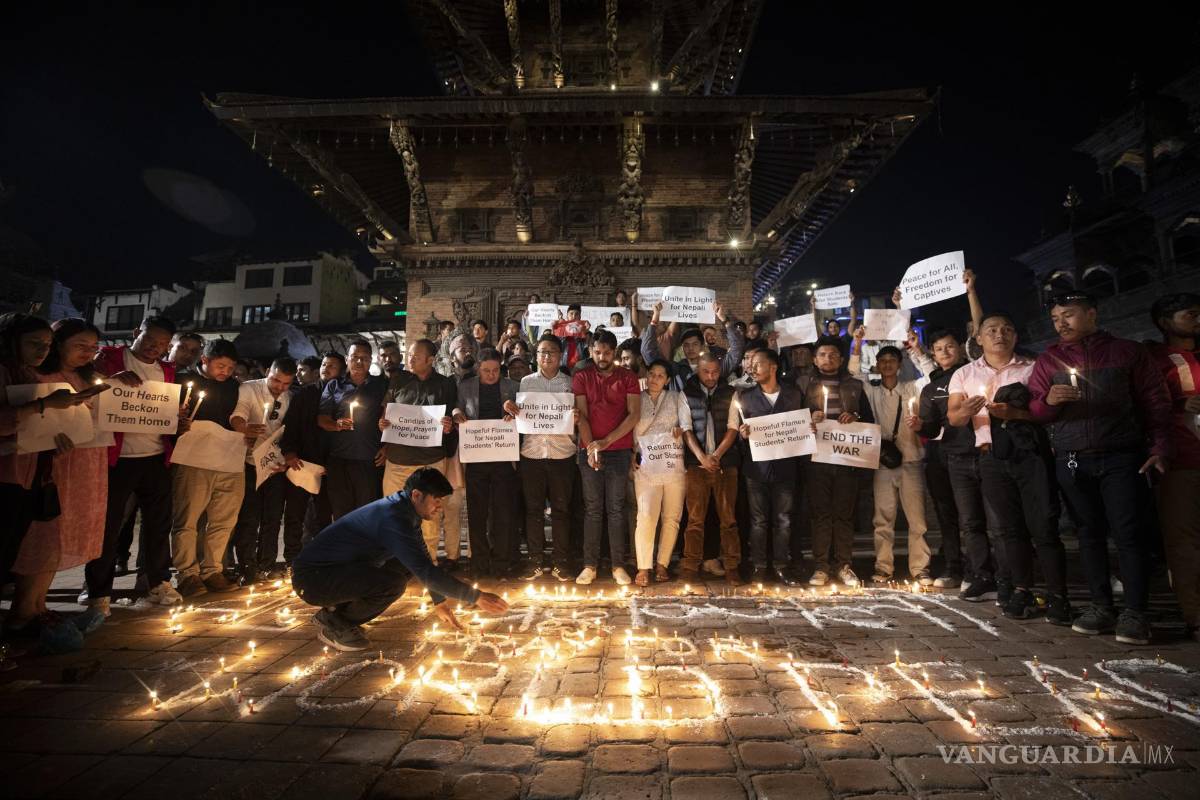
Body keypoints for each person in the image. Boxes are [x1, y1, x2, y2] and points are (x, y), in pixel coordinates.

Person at [1029, 293, 1171, 644]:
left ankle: (1136, 612)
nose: (1062, 323)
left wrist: (1159, 446)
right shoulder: (1049, 360)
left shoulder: (1127, 352)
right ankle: (1100, 606)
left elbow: (1155, 401)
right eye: (1056, 317)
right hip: (1073, 457)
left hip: (1122, 454)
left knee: (1128, 533)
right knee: (1087, 533)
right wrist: (1049, 402)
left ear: (1091, 313)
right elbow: (1035, 409)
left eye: (1069, 315)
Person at [291, 467, 509, 651]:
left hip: (334, 571)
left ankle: (333, 612)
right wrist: (476, 596)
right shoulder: (393, 518)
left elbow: (422, 560)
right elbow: (425, 571)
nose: (439, 506)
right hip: (314, 579)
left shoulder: (404, 512)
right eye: (436, 499)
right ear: (416, 495)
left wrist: (439, 601)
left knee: (404, 568)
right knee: (392, 584)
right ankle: (336, 623)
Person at [948, 311, 1070, 625]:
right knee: (1007, 528)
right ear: (978, 338)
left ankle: (1058, 596)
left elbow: (1047, 413)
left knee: (1043, 526)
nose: (999, 334)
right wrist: (966, 409)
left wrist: (1015, 413)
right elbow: (955, 419)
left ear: (1015, 336)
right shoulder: (964, 374)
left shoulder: (1033, 369)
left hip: (1029, 456)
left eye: (1007, 328)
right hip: (991, 456)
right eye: (991, 330)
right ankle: (1020, 590)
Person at [1, 315, 102, 640]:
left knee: (31, 545)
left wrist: (52, 442)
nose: (42, 350)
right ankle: (21, 615)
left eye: (45, 345)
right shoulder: (16, 375)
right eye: (35, 343)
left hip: (34, 473)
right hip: (12, 474)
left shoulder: (25, 372)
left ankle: (33, 611)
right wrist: (44, 405)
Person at [88, 315, 182, 613]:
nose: (156, 348)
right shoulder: (109, 358)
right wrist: (110, 381)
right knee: (108, 525)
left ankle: (157, 581)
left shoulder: (167, 370)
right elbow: (86, 386)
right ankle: (97, 590)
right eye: (151, 340)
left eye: (164, 344)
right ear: (136, 332)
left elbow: (166, 412)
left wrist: (179, 422)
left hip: (155, 456)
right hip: (117, 458)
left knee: (158, 525)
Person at [171, 338, 244, 598]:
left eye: (230, 367)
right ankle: (186, 573)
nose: (226, 372)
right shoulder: (181, 383)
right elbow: (167, 419)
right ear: (205, 360)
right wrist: (177, 422)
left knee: (224, 518)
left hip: (228, 458)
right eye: (221, 366)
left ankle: (212, 569)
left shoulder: (235, 387)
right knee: (187, 518)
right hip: (193, 459)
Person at [1146, 293, 1200, 640]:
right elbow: (1147, 403)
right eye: (1190, 314)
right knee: (1184, 539)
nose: (1197, 319)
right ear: (1166, 322)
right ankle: (1195, 613)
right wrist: (1182, 404)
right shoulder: (1152, 359)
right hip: (1182, 456)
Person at [800, 336, 874, 587]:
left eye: (833, 355)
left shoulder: (854, 385)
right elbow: (791, 419)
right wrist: (809, 417)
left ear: (841, 359)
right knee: (821, 514)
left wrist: (854, 416)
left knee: (844, 514)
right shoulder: (803, 385)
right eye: (822, 354)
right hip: (816, 459)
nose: (827, 359)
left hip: (846, 458)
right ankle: (821, 566)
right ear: (814, 358)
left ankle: (844, 565)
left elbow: (869, 421)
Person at [857, 343, 931, 586]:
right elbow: (855, 375)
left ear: (899, 365)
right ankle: (883, 566)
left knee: (917, 519)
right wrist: (857, 345)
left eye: (892, 360)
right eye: (883, 361)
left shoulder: (911, 389)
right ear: (877, 365)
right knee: (882, 518)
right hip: (883, 462)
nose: (887, 364)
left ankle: (920, 567)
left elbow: (931, 376)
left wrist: (916, 351)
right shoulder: (872, 392)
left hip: (911, 459)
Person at [573, 329, 640, 585]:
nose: (602, 357)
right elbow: (582, 414)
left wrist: (606, 442)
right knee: (592, 509)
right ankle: (589, 565)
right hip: (589, 450)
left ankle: (618, 565)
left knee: (615, 509)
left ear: (615, 353)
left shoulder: (628, 377)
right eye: (598, 352)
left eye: (608, 353)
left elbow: (633, 415)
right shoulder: (581, 376)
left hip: (620, 452)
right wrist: (592, 447)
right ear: (591, 351)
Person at [380, 340, 458, 561]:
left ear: (430, 360)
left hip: (430, 462)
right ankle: (396, 565)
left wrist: (448, 424)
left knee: (430, 518)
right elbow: (386, 411)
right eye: (409, 355)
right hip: (398, 460)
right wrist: (383, 423)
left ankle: (428, 564)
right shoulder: (398, 379)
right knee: (393, 514)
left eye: (415, 356)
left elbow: (451, 414)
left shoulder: (446, 384)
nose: (409, 360)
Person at [734, 349, 806, 584]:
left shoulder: (793, 395)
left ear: (773, 367)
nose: (752, 369)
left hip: (786, 468)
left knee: (784, 519)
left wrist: (809, 428)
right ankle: (759, 566)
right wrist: (742, 435)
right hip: (756, 470)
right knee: (758, 520)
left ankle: (781, 565)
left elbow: (801, 427)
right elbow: (738, 436)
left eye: (758, 364)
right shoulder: (745, 397)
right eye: (750, 365)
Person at [509, 335, 576, 582]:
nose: (546, 357)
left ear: (561, 356)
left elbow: (577, 416)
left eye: (552, 352)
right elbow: (518, 416)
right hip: (532, 453)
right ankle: (534, 561)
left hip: (562, 453)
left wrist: (575, 417)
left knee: (561, 510)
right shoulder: (525, 383)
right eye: (542, 352)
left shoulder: (570, 384)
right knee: (533, 510)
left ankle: (561, 562)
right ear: (535, 356)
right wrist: (511, 410)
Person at [911, 329, 973, 592]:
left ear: (960, 348)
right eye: (939, 349)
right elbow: (930, 427)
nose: (945, 352)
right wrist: (919, 425)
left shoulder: (972, 375)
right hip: (940, 455)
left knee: (972, 516)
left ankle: (978, 568)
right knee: (945, 515)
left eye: (950, 347)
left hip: (971, 452)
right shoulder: (931, 387)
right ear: (933, 355)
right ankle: (953, 566)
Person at [453, 348, 518, 580]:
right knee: (477, 513)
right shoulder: (465, 386)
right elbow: (457, 406)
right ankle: (479, 563)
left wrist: (514, 412)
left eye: (495, 371)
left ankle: (501, 563)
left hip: (503, 456)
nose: (491, 375)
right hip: (476, 457)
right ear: (478, 369)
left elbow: (522, 414)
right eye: (486, 371)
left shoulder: (512, 386)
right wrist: (458, 413)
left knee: (502, 512)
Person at [231, 357, 297, 583]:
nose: (280, 388)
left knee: (272, 516)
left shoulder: (290, 398)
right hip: (249, 462)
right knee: (249, 516)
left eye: (286, 384)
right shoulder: (249, 389)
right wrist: (245, 429)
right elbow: (238, 414)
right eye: (276, 380)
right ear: (267, 370)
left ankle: (267, 564)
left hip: (274, 465)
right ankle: (247, 566)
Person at [678, 354, 742, 585]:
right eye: (706, 372)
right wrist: (701, 457)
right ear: (698, 371)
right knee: (695, 519)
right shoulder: (687, 393)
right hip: (696, 466)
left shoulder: (730, 392)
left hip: (725, 464)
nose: (711, 376)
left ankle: (732, 565)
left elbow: (733, 428)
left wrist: (716, 456)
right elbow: (686, 429)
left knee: (728, 518)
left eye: (715, 372)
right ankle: (690, 565)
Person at [631, 359, 691, 586]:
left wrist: (678, 429)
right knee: (646, 516)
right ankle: (643, 566)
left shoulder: (677, 398)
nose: (654, 379)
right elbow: (628, 425)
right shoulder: (636, 397)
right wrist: (631, 452)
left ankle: (662, 564)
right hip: (646, 466)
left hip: (673, 465)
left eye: (660, 375)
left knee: (672, 517)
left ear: (667, 380)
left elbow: (686, 425)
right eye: (652, 374)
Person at [318, 340, 388, 519]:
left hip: (369, 460)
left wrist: (388, 447)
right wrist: (336, 425)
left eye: (364, 358)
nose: (359, 362)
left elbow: (391, 418)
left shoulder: (381, 385)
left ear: (371, 360)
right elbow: (322, 419)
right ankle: (345, 547)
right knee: (341, 513)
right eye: (355, 357)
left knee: (367, 513)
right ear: (347, 360)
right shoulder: (334, 386)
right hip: (339, 460)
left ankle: (364, 547)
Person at [282, 352, 333, 551]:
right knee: (295, 513)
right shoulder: (303, 394)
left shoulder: (341, 396)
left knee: (324, 515)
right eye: (324, 365)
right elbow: (291, 426)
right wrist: (290, 452)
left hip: (327, 465)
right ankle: (292, 557)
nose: (327, 370)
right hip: (301, 462)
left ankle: (322, 555)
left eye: (333, 366)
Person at [641, 301, 744, 390]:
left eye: (695, 344)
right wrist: (654, 320)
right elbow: (647, 352)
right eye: (686, 345)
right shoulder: (674, 369)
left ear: (702, 345)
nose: (690, 348)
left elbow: (737, 351)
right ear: (682, 347)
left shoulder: (715, 368)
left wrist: (724, 319)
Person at [552, 305, 591, 370]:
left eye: (576, 314)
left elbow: (589, 349)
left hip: (579, 369)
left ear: (580, 317)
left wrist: (586, 332)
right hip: (563, 368)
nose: (574, 316)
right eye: (571, 314)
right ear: (567, 316)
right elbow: (553, 345)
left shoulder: (585, 334)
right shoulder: (560, 333)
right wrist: (554, 328)